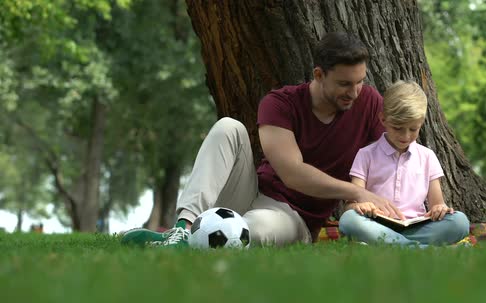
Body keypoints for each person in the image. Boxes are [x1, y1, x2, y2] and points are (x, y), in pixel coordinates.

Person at [122, 32, 404, 247]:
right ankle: (181, 229)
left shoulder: (368, 103)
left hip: (294, 218)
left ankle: (190, 240)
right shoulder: (280, 103)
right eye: (344, 84)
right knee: (228, 127)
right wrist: (355, 192)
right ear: (319, 75)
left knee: (247, 232)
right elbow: (292, 173)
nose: (354, 92)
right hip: (252, 191)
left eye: (360, 81)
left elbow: (386, 160)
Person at [338, 80, 469, 247]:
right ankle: (423, 250)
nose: (405, 136)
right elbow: (350, 207)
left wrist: (439, 209)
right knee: (349, 220)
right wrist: (362, 206)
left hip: (417, 228)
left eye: (413, 129)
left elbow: (437, 204)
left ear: (421, 124)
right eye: (398, 128)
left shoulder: (427, 156)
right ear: (383, 119)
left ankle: (395, 246)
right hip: (378, 225)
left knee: (460, 222)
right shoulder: (366, 155)